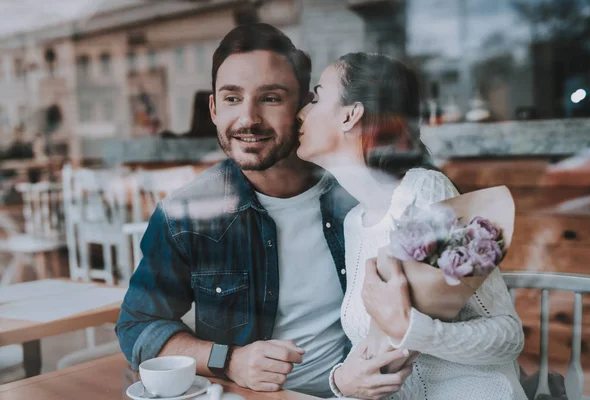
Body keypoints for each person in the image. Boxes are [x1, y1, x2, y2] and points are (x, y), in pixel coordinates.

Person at [116, 25, 412, 398]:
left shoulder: (360, 197)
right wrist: (230, 359)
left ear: (305, 106)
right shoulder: (186, 213)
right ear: (213, 108)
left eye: (270, 98)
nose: (248, 119)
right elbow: (137, 325)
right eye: (232, 99)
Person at [296, 52, 528, 400]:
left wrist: (412, 330)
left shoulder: (425, 193)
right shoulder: (353, 224)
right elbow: (376, 353)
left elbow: (508, 336)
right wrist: (342, 380)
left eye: (315, 97)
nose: (302, 112)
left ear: (350, 115)